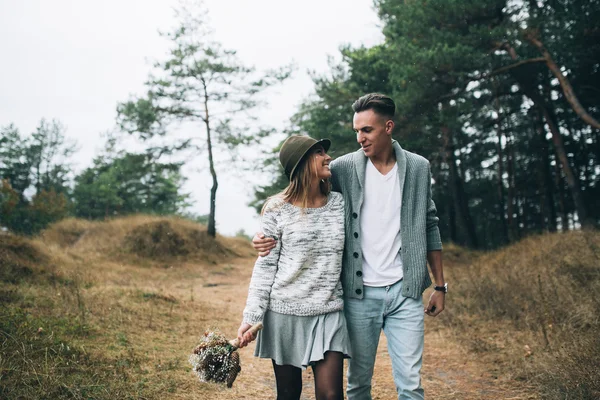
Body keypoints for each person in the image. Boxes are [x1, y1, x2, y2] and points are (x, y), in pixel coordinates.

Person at [252, 93, 446, 400]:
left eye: (366, 130)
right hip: (358, 295)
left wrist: (440, 285)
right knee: (357, 384)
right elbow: (302, 191)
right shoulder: (343, 169)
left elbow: (429, 223)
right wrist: (266, 231)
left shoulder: (418, 168)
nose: (360, 138)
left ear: (388, 127)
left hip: (405, 290)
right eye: (356, 130)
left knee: (411, 384)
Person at [237, 135, 350, 400]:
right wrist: (251, 316)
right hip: (284, 313)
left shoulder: (340, 204)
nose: (328, 157)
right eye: (319, 153)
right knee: (288, 394)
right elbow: (265, 268)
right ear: (301, 163)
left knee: (331, 395)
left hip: (329, 311)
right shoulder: (276, 209)